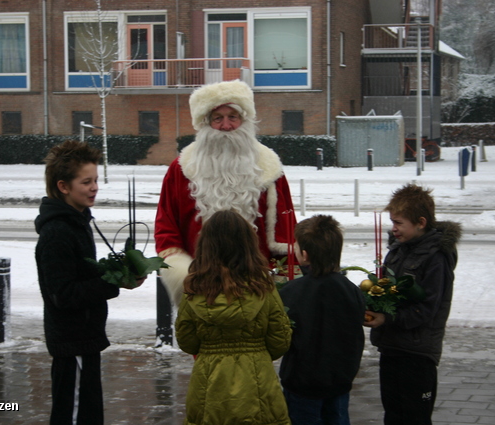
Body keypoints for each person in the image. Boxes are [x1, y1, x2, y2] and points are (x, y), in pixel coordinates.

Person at [155, 79, 297, 306]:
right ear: (205, 123)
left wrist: (284, 278)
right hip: (200, 285)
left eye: (233, 117)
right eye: (217, 118)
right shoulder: (182, 169)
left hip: (258, 286)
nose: (226, 126)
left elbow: (286, 228)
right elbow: (166, 225)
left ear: (245, 120)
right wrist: (181, 271)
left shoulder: (269, 168)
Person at [35, 140, 143, 425]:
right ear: (63, 186)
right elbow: (63, 294)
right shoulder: (58, 232)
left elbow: (83, 275)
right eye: (86, 181)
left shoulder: (78, 222)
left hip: (85, 340)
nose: (95, 187)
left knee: (89, 414)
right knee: (74, 415)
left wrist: (121, 273)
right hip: (73, 343)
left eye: (95, 180)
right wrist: (113, 283)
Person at [174, 210, 293, 425]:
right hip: (257, 383)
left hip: (209, 386)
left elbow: (187, 341)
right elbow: (280, 341)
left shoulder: (193, 289)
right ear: (248, 246)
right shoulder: (263, 289)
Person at [363, 184, 462, 425]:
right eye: (392, 222)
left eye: (398, 223)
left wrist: (388, 318)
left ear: (420, 222)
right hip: (392, 347)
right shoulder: (397, 251)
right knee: (394, 414)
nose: (393, 229)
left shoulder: (436, 257)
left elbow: (427, 309)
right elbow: (389, 291)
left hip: (417, 352)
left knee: (414, 417)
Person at [279, 215, 365, 425]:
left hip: (302, 385)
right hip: (339, 381)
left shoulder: (292, 292)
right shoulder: (351, 290)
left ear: (305, 255)